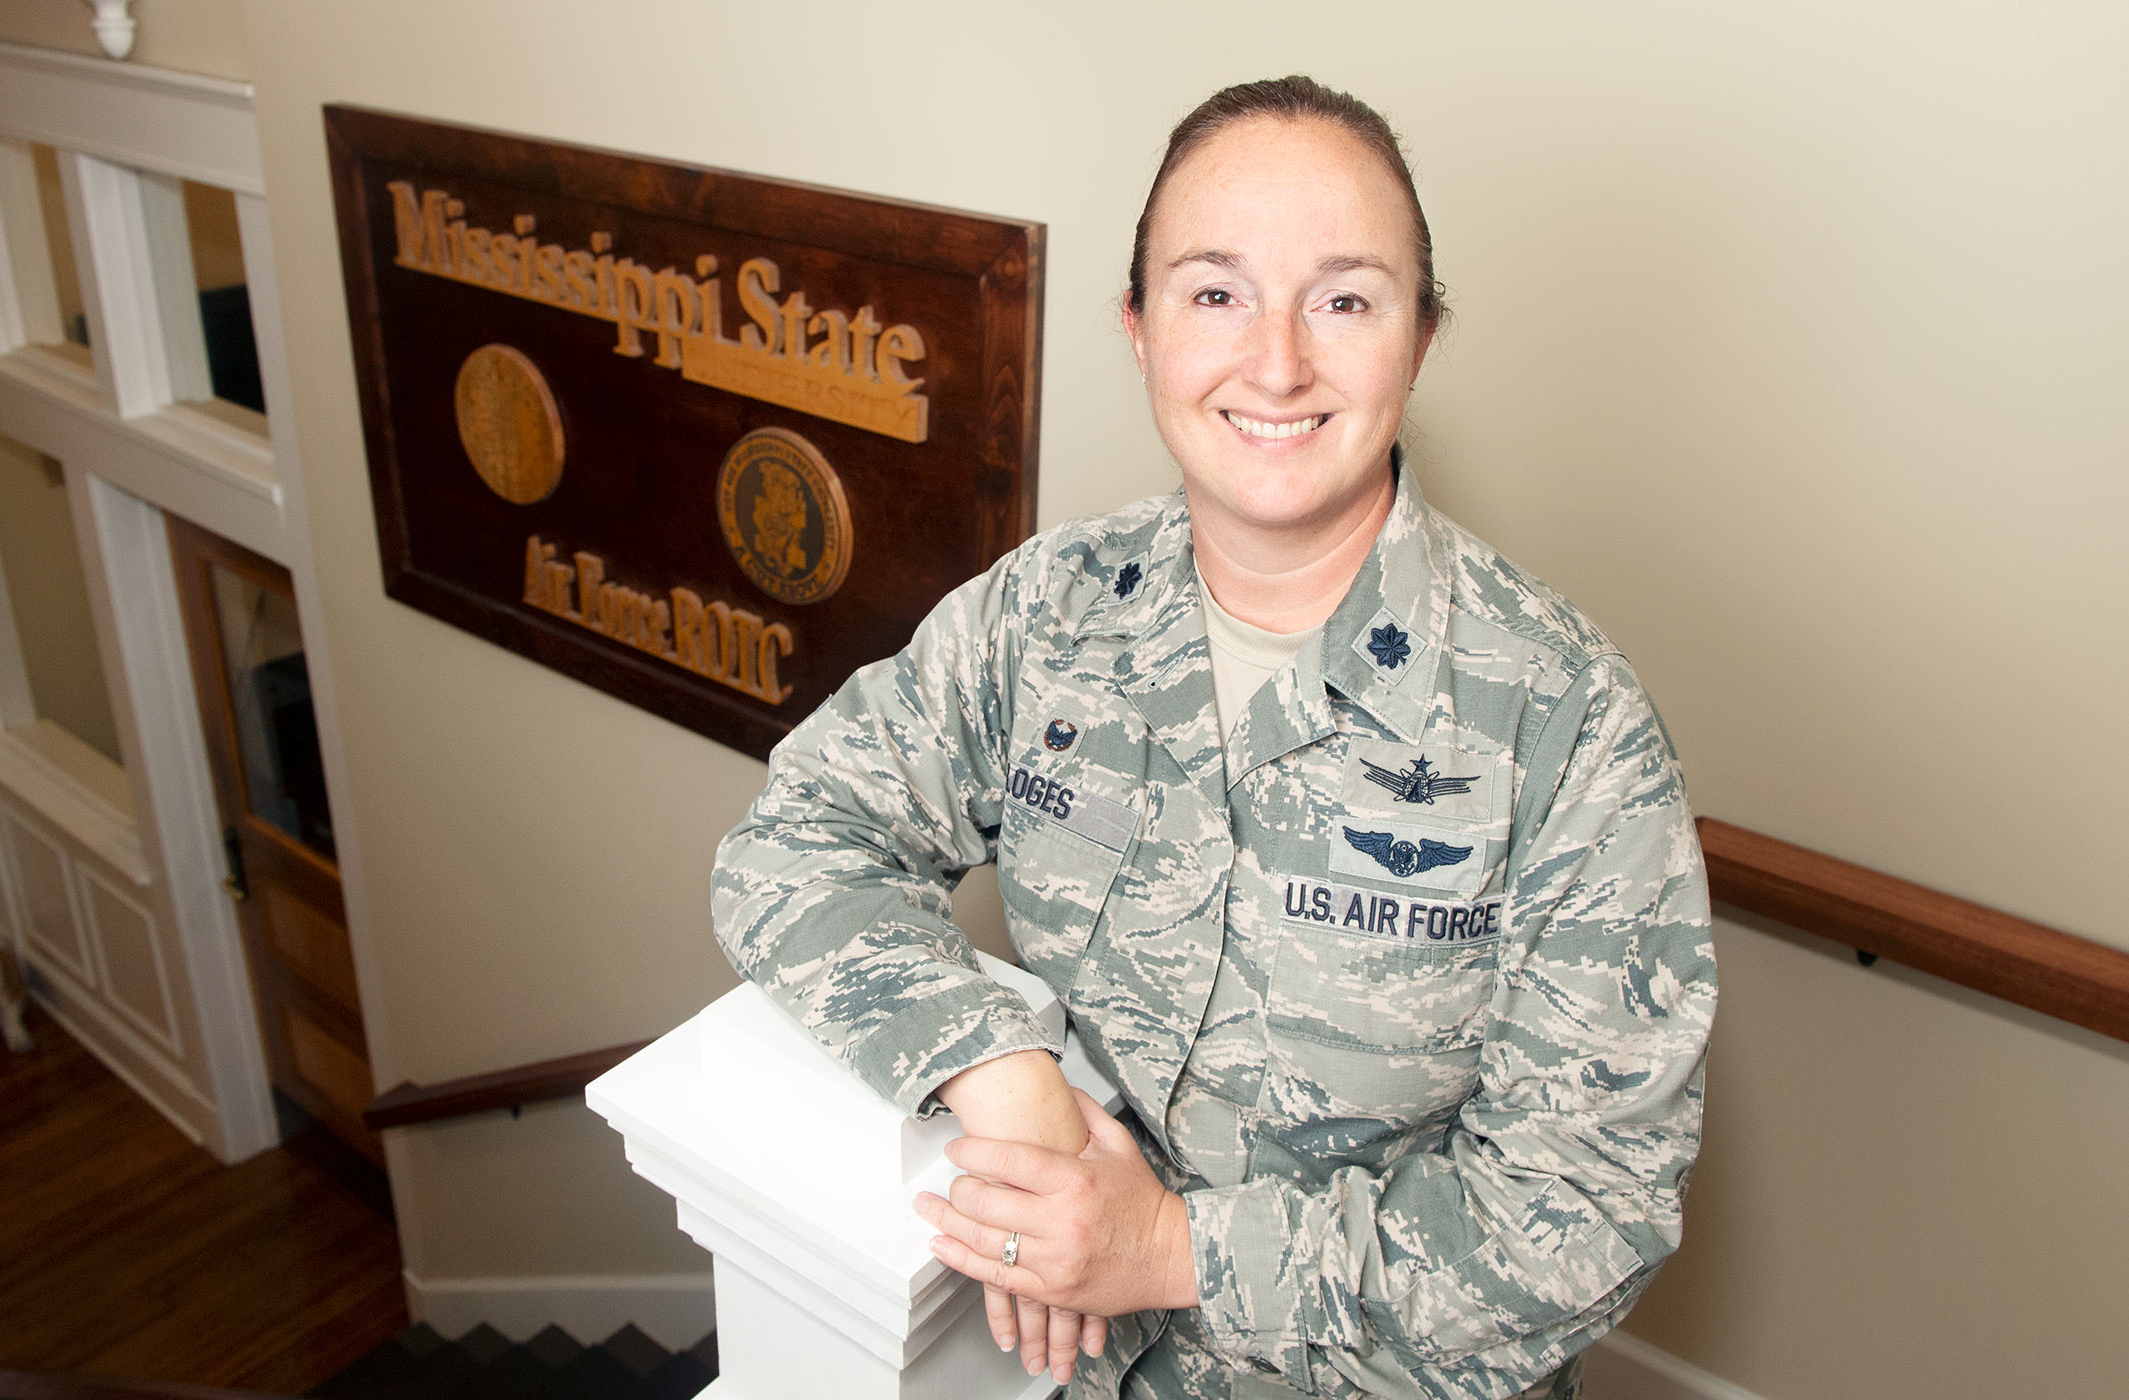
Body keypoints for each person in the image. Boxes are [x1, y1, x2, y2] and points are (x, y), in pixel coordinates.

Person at [713, 76, 1714, 1400]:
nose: (1279, 361)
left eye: (1346, 299)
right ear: (1139, 329)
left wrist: (1174, 1250)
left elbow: (1587, 1219)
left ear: (1421, 339)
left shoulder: (1568, 722)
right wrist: (992, 1065)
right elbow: (793, 845)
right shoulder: (1043, 617)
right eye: (1214, 292)